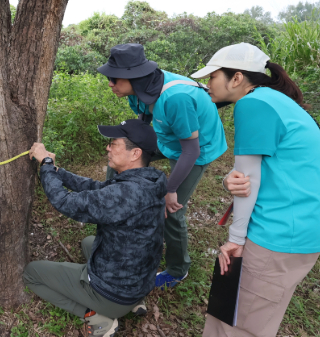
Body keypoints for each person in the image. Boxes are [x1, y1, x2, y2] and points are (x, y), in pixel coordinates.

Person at [190, 43, 320, 337]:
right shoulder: (276, 100)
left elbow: (249, 181)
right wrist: (228, 181)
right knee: (256, 320)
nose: (207, 84)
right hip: (300, 232)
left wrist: (235, 239)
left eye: (212, 76)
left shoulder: (253, 104)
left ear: (236, 78)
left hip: (275, 234)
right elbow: (252, 174)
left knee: (235, 325)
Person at [97, 43, 227, 289]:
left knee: (170, 211)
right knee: (118, 163)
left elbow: (190, 149)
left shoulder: (175, 98)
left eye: (114, 79)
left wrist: (170, 190)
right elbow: (144, 121)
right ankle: (118, 211)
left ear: (133, 77)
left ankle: (178, 269)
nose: (110, 84)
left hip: (195, 148)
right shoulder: (138, 91)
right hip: (166, 135)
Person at [23, 119, 166, 337]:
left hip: (115, 295)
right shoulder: (148, 181)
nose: (107, 147)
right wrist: (57, 170)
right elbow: (97, 188)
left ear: (135, 153)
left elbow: (64, 202)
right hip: (138, 281)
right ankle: (135, 301)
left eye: (114, 143)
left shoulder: (125, 193)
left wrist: (46, 165)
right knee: (88, 243)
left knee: (31, 273)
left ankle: (97, 318)